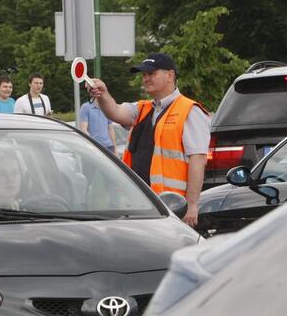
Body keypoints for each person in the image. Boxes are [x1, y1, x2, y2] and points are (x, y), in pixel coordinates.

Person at [86, 52, 210, 227]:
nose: (146, 78)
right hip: (140, 205)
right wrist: (103, 94)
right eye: (144, 75)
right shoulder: (142, 108)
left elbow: (198, 160)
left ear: (170, 75)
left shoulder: (190, 110)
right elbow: (115, 112)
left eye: (151, 73)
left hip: (174, 208)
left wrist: (191, 206)